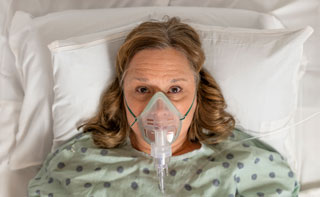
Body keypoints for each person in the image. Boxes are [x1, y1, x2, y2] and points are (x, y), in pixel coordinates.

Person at [28, 17, 299, 197]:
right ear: (121, 95)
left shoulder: (248, 167)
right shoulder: (77, 164)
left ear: (198, 94)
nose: (159, 108)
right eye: (143, 89)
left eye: (175, 89)